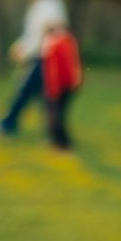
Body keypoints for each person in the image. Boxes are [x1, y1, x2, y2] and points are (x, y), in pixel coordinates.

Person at [0, 0, 67, 137]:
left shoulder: (51, 2)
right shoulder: (41, 4)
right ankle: (53, 132)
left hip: (46, 57)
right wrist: (22, 47)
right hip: (38, 55)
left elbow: (53, 27)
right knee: (37, 95)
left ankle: (8, 125)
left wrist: (27, 48)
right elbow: (34, 33)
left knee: (27, 92)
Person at [41, 21, 83, 152]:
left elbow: (52, 70)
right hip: (70, 84)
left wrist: (52, 89)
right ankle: (59, 141)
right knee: (60, 114)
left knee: (55, 115)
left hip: (58, 86)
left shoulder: (52, 44)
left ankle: (62, 143)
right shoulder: (69, 40)